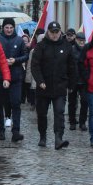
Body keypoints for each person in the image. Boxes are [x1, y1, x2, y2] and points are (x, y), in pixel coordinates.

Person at [31, 21, 77, 150]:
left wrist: (72, 84)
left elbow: (72, 66)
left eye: (57, 32)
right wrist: (40, 81)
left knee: (59, 112)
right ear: (48, 32)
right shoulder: (41, 46)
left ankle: (58, 138)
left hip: (60, 85)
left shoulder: (67, 46)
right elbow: (35, 66)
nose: (55, 34)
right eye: (52, 32)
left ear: (60, 32)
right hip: (43, 87)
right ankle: (42, 136)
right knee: (42, 114)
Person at [0, 18, 29, 142]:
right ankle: (0, 131)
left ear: (14, 28)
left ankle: (16, 131)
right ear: (3, 28)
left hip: (15, 77)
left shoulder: (19, 40)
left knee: (16, 104)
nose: (9, 30)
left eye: (11, 27)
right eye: (6, 27)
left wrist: (16, 60)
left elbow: (25, 55)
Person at [68, 32, 89, 131]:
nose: (82, 42)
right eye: (80, 40)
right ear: (76, 40)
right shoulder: (71, 50)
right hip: (73, 80)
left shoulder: (87, 50)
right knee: (72, 102)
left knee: (85, 101)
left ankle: (82, 122)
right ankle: (72, 122)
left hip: (84, 81)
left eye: (83, 40)